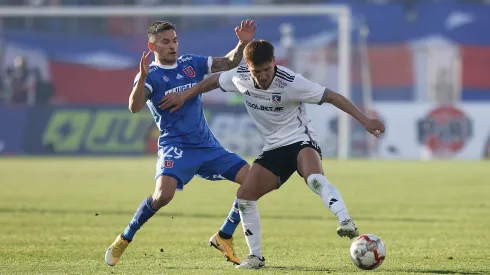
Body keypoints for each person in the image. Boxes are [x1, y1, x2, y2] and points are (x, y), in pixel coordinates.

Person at [160, 39, 386, 269]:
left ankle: (345, 220)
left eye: (267, 69)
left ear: (274, 62)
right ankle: (255, 257)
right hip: (273, 149)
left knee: (314, 178)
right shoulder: (239, 77)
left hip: (301, 140)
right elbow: (213, 81)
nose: (264, 75)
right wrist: (184, 96)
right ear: (248, 68)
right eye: (258, 71)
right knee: (245, 196)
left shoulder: (291, 82)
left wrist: (365, 121)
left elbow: (333, 97)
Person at [105, 20, 257, 266]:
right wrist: (142, 76)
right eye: (165, 42)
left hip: (207, 146)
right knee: (163, 197)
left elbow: (228, 63)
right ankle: (125, 237)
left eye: (174, 40)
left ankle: (224, 235)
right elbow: (134, 107)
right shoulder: (151, 76)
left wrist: (242, 43)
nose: (172, 46)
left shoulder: (191, 63)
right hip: (175, 147)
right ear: (152, 45)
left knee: (252, 180)